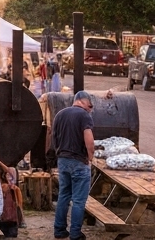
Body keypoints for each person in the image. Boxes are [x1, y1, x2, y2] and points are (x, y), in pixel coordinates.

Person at [52, 90, 96, 240]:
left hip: (62, 160)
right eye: (90, 106)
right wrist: (90, 158)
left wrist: (58, 153)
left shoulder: (60, 114)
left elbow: (53, 136)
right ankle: (75, 234)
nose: (90, 110)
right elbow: (89, 141)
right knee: (78, 200)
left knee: (63, 195)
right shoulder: (84, 115)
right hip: (79, 162)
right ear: (83, 102)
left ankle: (59, 230)